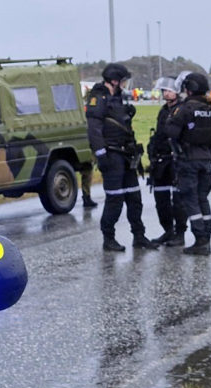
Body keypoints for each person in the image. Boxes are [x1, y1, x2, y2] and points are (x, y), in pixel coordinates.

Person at [86, 63, 157, 251]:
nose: (125, 84)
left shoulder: (118, 98)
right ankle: (108, 238)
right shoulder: (98, 98)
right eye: (124, 81)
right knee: (115, 199)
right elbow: (94, 130)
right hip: (111, 154)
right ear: (114, 81)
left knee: (134, 197)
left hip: (127, 155)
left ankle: (139, 236)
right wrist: (102, 155)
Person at [165, 72, 211, 256]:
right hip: (206, 159)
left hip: (188, 160)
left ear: (189, 89)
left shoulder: (184, 109)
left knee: (191, 200)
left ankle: (200, 239)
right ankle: (207, 236)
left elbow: (171, 132)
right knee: (203, 198)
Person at [147, 73, 190, 246]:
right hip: (161, 160)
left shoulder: (183, 109)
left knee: (178, 200)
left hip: (177, 159)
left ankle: (180, 233)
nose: (166, 94)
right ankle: (168, 230)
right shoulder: (163, 111)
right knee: (161, 199)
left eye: (169, 91)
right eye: (164, 91)